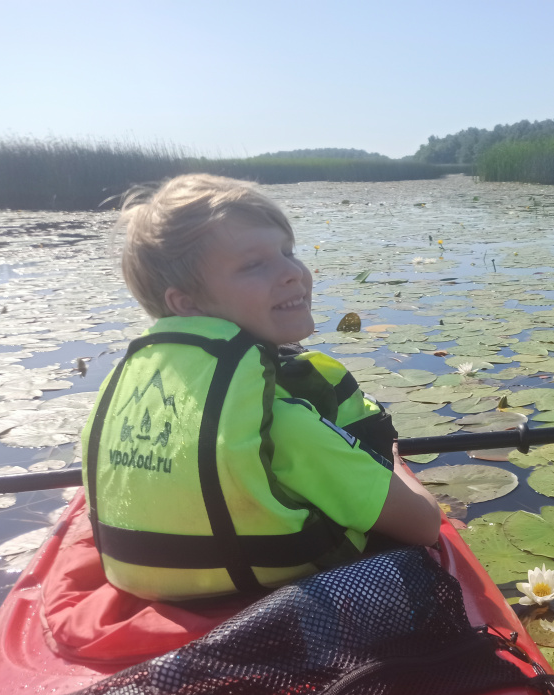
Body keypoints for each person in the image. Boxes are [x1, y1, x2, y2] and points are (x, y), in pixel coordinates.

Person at [80, 174, 441, 602]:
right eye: (254, 264)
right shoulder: (282, 425)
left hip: (152, 594)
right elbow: (424, 524)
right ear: (187, 303)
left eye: (288, 252)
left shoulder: (126, 400)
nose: (293, 272)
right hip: (287, 617)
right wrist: (393, 464)